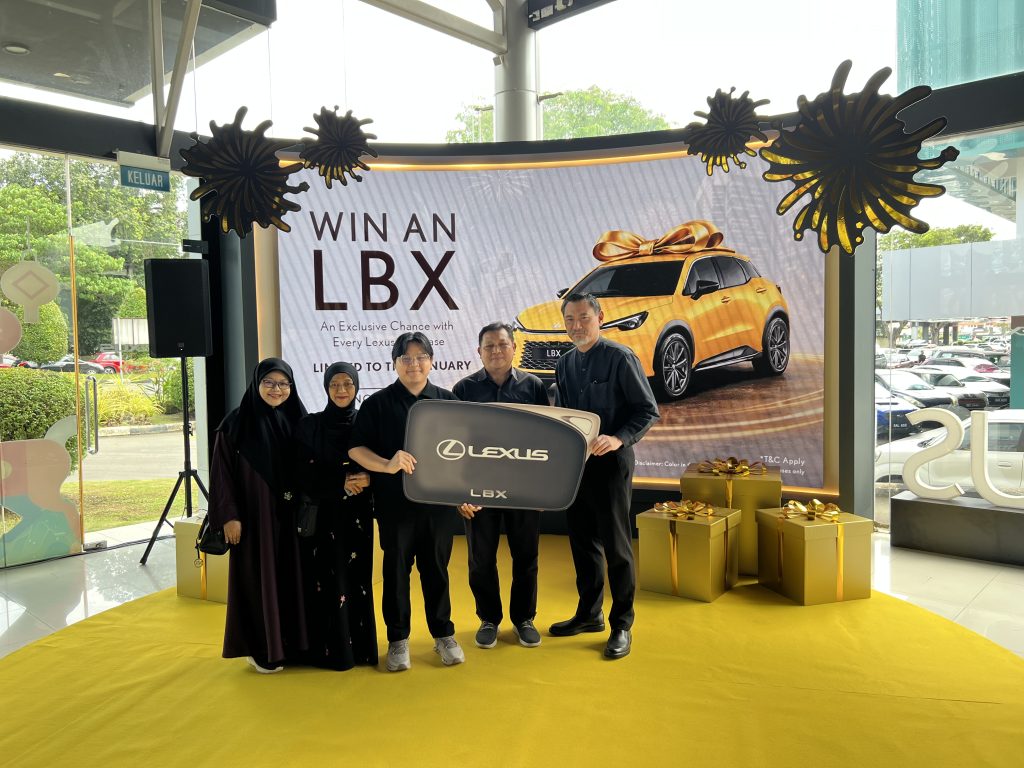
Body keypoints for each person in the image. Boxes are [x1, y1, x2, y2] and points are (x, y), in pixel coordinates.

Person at [549, 293, 659, 660]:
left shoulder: (620, 357)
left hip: (612, 464)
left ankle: (622, 624)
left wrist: (617, 438)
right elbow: (565, 416)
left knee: (616, 546)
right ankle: (589, 614)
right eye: (569, 319)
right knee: (582, 541)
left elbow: (647, 411)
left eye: (583, 317)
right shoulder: (564, 364)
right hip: (577, 466)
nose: (576, 325)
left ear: (600, 317)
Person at [348, 332, 465, 672]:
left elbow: (465, 454)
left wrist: (465, 495)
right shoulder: (377, 403)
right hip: (394, 506)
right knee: (396, 573)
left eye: (421, 357)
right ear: (395, 363)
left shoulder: (448, 402)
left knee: (436, 571)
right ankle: (398, 640)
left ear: (432, 361)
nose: (414, 364)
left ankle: (444, 634)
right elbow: (356, 448)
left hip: (438, 507)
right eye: (406, 358)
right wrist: (387, 464)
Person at [453, 322, 550, 650]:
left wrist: (542, 488)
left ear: (514, 348)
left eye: (502, 344)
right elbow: (454, 445)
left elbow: (546, 441)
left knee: (526, 556)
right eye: (489, 346)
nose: (496, 351)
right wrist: (459, 492)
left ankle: (524, 619)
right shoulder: (464, 390)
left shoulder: (534, 386)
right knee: (481, 559)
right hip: (478, 490)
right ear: (478, 351)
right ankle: (488, 619)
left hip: (523, 489)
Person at [208, 357, 309, 673]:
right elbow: (221, 474)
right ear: (256, 384)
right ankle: (260, 647)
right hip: (254, 519)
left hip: (290, 517)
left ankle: (291, 645)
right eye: (269, 382)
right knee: (257, 579)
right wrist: (229, 516)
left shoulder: (298, 419)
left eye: (283, 384)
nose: (277, 389)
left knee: (291, 578)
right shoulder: (236, 423)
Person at [294, 362, 377, 670]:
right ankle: (328, 651)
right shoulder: (310, 425)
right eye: (335, 385)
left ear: (356, 387)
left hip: (357, 516)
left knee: (357, 580)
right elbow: (301, 471)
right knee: (325, 580)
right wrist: (339, 482)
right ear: (326, 388)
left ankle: (360, 650)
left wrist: (370, 479)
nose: (341, 390)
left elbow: (383, 464)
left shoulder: (367, 425)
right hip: (324, 516)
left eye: (347, 384)